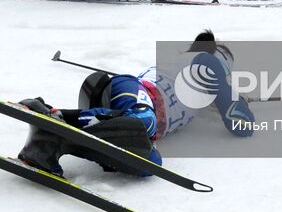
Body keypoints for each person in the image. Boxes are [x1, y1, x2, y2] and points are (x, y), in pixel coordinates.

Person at [16, 30, 255, 177]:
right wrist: (234, 100)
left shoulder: (198, 91)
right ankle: (56, 115)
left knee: (147, 163)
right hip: (139, 92)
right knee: (144, 121)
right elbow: (242, 126)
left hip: (136, 114)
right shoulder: (205, 63)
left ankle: (54, 144)